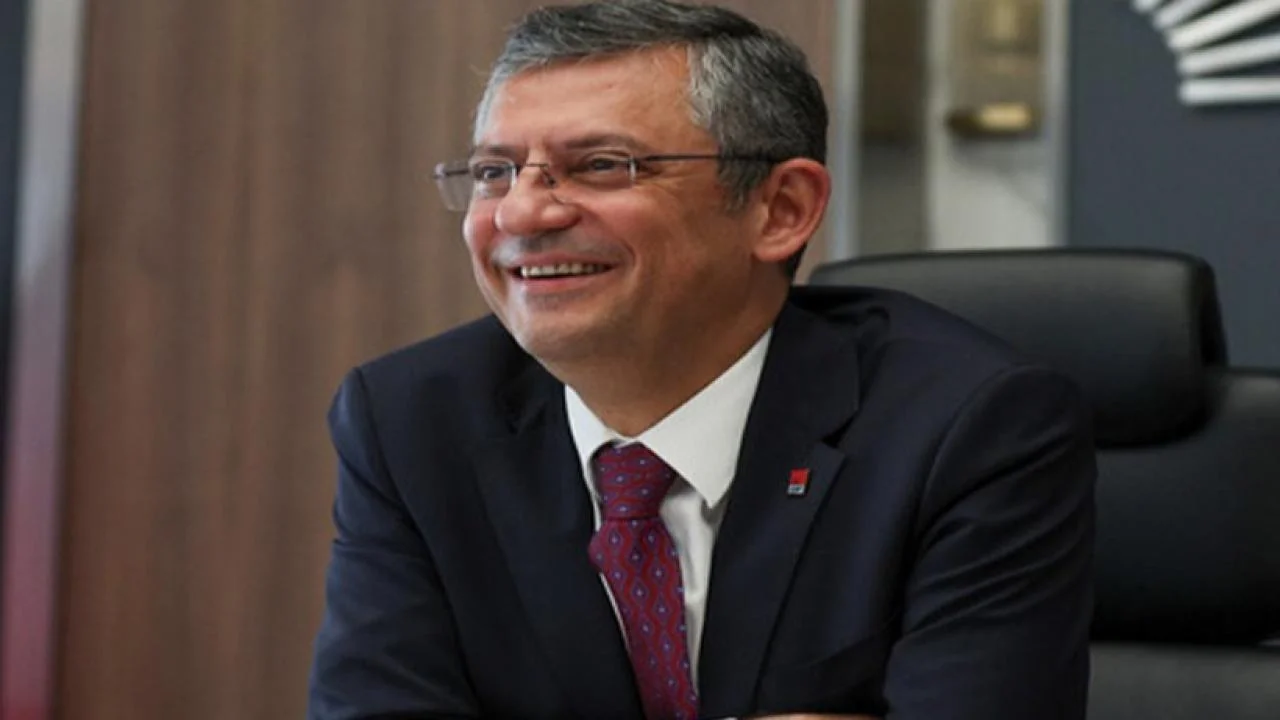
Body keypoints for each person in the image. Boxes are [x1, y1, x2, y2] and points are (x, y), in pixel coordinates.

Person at [307, 1, 1096, 718]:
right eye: (493, 173)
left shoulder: (967, 427)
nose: (522, 212)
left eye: (602, 164)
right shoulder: (412, 420)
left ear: (780, 209)